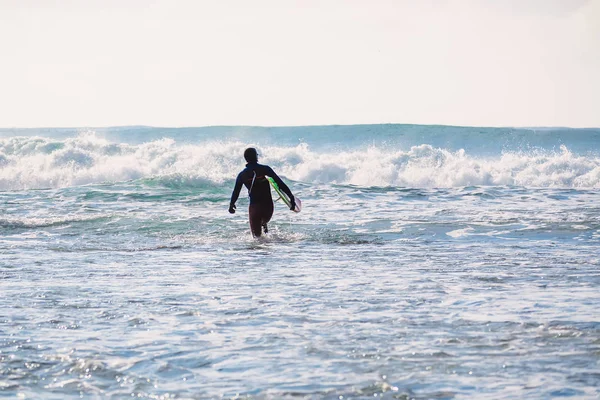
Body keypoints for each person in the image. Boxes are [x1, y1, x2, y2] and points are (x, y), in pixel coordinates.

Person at [229, 148, 295, 237]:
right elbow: (280, 184)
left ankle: (261, 247)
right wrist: (291, 197)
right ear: (256, 157)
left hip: (254, 208)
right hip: (268, 207)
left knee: (257, 239)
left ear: (246, 159)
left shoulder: (242, 175)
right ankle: (267, 236)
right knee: (263, 224)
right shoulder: (265, 169)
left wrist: (231, 204)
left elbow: (236, 192)